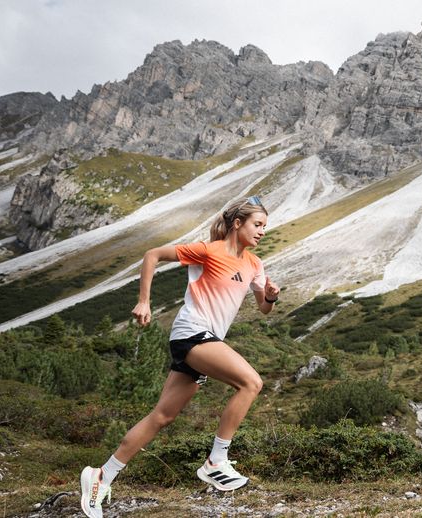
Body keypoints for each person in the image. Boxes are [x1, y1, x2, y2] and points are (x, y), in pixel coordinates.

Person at [80, 196, 280, 518]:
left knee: (162, 416)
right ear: (238, 223)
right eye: (258, 225)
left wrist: (270, 298)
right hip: (191, 333)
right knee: (251, 383)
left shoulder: (254, 264)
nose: (262, 232)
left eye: (265, 227)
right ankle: (217, 460)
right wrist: (144, 301)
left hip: (205, 339)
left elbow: (263, 308)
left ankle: (102, 476)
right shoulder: (208, 250)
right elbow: (152, 255)